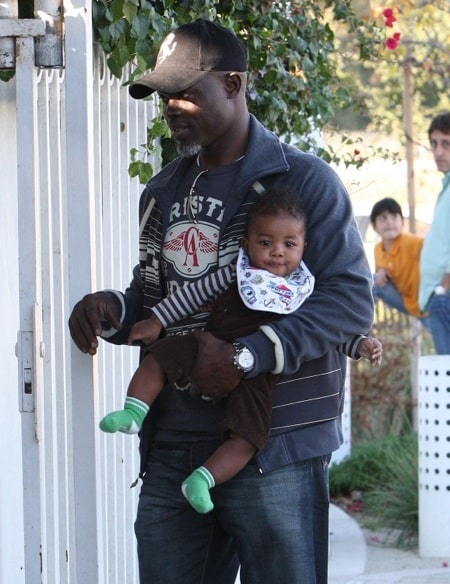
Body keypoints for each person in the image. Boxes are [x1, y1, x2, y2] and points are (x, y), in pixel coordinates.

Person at [68, 19, 374, 584]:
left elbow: (350, 301)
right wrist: (112, 308)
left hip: (271, 444)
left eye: (186, 92)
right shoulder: (161, 191)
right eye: (164, 96)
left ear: (233, 85)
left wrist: (247, 356)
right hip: (174, 448)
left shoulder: (304, 183)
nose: (171, 106)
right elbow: (159, 294)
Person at [98, 188, 383, 515]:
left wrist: (360, 344)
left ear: (304, 247)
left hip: (259, 376)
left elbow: (332, 333)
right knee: (162, 356)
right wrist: (156, 321)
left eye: (289, 244)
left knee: (249, 437)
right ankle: (133, 412)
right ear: (247, 244)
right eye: (265, 242)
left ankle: (202, 480)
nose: (277, 252)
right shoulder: (237, 270)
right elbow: (191, 295)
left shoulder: (303, 289)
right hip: (209, 347)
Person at [419, 112, 450, 354]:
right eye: (434, 143)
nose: (438, 152)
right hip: (437, 297)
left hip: (444, 297)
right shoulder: (446, 187)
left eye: (446, 143)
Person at [370, 197, 428, 327]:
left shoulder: (412, 243)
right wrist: (381, 273)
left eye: (394, 217)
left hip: (427, 304)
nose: (389, 222)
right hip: (406, 301)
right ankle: (363, 330)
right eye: (383, 218)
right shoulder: (378, 249)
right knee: (371, 281)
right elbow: (382, 281)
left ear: (402, 222)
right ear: (374, 226)